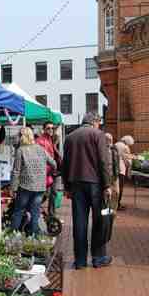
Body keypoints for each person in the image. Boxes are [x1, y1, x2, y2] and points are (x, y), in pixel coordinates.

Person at [61, 112, 113, 269]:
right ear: (94, 122)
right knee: (99, 221)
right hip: (96, 184)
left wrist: (67, 187)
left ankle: (80, 260)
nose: (99, 125)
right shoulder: (98, 135)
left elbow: (65, 164)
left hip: (76, 184)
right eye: (99, 122)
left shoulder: (70, 137)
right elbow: (104, 162)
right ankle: (98, 258)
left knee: (79, 222)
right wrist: (108, 185)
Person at [10, 127, 57, 236]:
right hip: (40, 186)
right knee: (35, 213)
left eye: (19, 135)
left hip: (25, 186)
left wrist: (13, 188)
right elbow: (53, 163)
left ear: (22, 137)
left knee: (19, 211)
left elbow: (16, 171)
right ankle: (35, 238)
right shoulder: (40, 149)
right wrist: (45, 172)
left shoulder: (21, 150)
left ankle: (12, 236)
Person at [36, 122, 63, 218]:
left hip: (55, 171)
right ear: (44, 129)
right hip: (47, 172)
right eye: (48, 128)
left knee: (54, 193)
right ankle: (34, 208)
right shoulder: (40, 141)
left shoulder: (53, 139)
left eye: (52, 128)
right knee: (45, 193)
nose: (51, 130)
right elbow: (41, 158)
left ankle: (52, 215)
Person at [113, 135, 135, 210]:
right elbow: (128, 160)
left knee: (115, 187)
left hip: (114, 169)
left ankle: (114, 204)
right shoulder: (125, 147)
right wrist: (133, 159)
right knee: (120, 188)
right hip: (121, 170)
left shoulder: (115, 144)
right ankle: (118, 205)